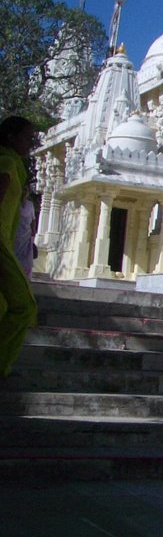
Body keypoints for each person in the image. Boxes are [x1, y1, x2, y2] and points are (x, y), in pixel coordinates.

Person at [0, 115, 38, 375]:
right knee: (24, 306)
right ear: (11, 138)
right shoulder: (5, 164)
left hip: (7, 243)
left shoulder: (13, 165)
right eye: (27, 137)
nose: (31, 143)